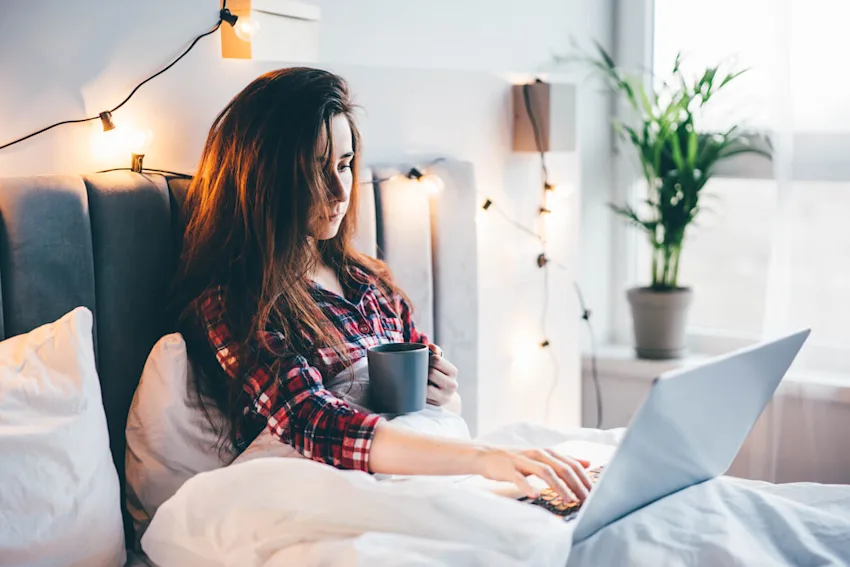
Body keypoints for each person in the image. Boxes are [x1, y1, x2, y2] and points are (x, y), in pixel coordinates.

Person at [172, 67, 591, 503]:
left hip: (424, 474)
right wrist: (483, 457)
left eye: (346, 164)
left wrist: (443, 393)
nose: (340, 190)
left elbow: (443, 407)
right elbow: (311, 421)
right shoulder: (236, 303)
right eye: (317, 169)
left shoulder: (369, 282)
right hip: (317, 492)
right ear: (266, 178)